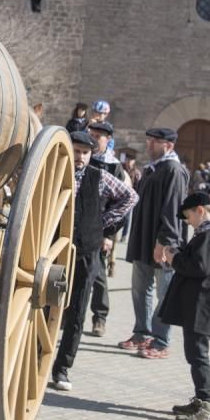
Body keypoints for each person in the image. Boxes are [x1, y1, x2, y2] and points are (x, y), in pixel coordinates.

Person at [49, 131, 137, 391]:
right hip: (54, 249)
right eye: (76, 151)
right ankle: (37, 357)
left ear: (91, 155)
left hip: (86, 250)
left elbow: (130, 196)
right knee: (45, 305)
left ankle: (62, 368)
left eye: (84, 153)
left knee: (77, 311)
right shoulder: (54, 172)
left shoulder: (99, 178)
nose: (79, 157)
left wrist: (103, 223)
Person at [157, 192, 210, 420]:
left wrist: (174, 257)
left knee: (198, 355)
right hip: (200, 306)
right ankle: (201, 399)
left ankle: (206, 405)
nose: (188, 221)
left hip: (203, 307)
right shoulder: (207, 234)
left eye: (189, 216)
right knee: (194, 353)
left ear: (200, 210)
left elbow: (200, 267)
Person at [119, 127, 189, 360]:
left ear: (168, 145)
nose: (148, 145)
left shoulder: (173, 170)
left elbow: (173, 208)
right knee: (140, 289)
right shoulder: (153, 169)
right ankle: (142, 332)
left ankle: (161, 340)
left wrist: (165, 242)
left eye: (154, 142)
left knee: (164, 292)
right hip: (143, 240)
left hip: (162, 243)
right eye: (148, 140)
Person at [85, 120, 127, 339]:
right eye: (91, 134)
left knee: (99, 276)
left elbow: (121, 204)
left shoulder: (114, 167)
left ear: (108, 139)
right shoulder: (84, 158)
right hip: (79, 224)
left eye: (98, 136)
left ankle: (99, 318)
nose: (94, 138)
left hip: (100, 228)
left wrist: (109, 235)